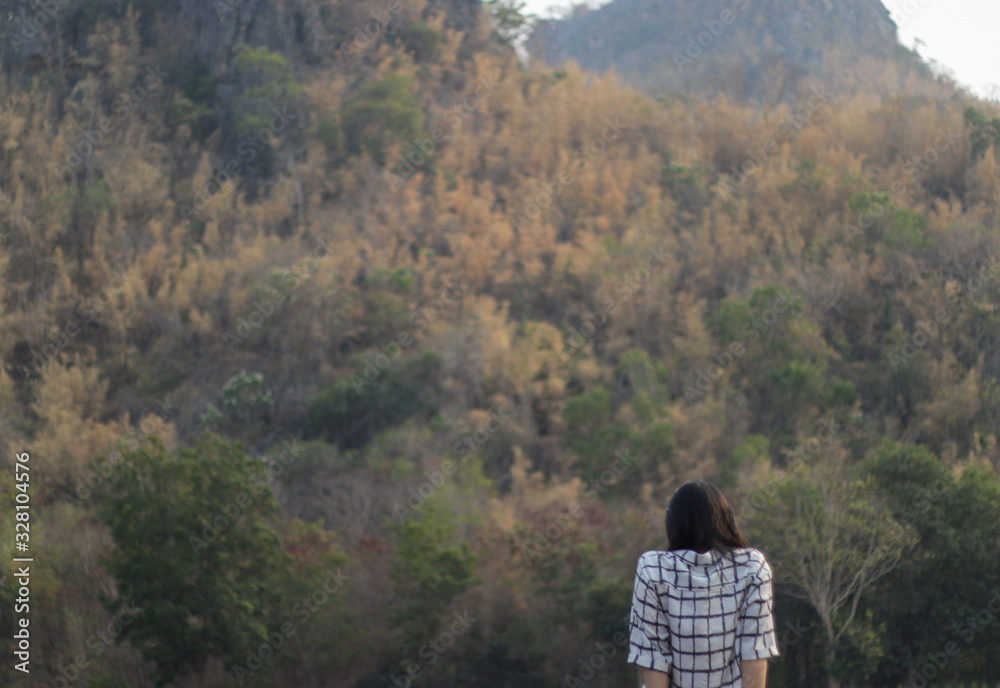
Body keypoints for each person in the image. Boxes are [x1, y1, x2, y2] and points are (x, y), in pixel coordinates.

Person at [627, 480, 780, 688]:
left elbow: (653, 657)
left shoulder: (653, 569)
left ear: (674, 522)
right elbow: (754, 652)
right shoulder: (752, 567)